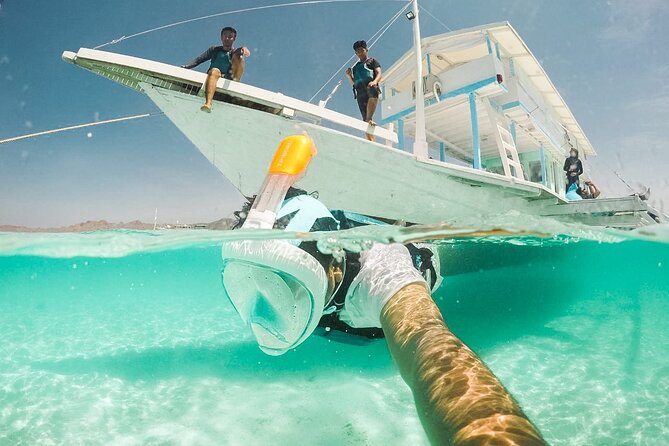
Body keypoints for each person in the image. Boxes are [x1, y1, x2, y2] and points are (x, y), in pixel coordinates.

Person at [222, 192, 547, 445]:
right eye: (251, 279)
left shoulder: (380, 271)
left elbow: (428, 341)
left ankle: (536, 250)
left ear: (335, 267)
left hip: (433, 255)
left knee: (513, 253)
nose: (265, 308)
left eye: (286, 283)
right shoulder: (311, 280)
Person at [182, 26, 251, 113]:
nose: (227, 38)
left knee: (239, 57)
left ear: (234, 39)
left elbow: (239, 51)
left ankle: (235, 81)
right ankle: (208, 103)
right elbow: (199, 59)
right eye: (225, 35)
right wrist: (187, 66)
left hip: (229, 76)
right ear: (221, 37)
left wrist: (243, 49)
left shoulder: (233, 52)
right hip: (214, 75)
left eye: (230, 36)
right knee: (214, 71)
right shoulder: (214, 49)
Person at [345, 40, 382, 142]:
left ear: (366, 50)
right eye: (358, 52)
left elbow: (379, 74)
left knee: (368, 118)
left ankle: (369, 118)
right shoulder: (355, 67)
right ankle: (372, 142)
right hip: (360, 93)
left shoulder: (373, 61)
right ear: (355, 53)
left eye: (362, 50)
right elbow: (354, 83)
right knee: (365, 121)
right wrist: (349, 76)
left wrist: (374, 81)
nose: (360, 53)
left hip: (371, 88)